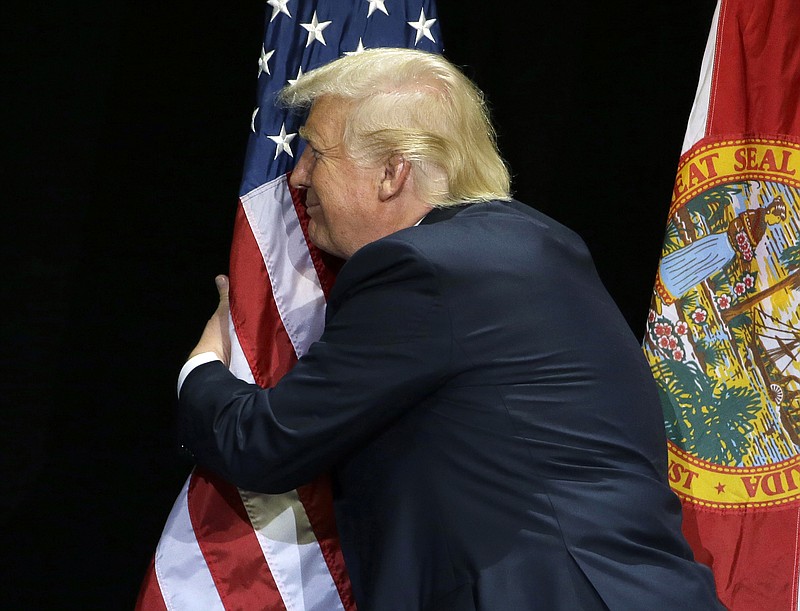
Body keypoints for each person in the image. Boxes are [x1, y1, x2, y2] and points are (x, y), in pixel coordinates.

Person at [178, 48, 724, 610]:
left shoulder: (421, 268)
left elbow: (266, 442)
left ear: (392, 172)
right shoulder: (532, 247)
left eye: (317, 150)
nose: (298, 175)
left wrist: (206, 361)